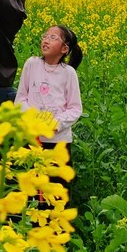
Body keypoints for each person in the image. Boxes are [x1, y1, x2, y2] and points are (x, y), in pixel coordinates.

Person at [15, 24, 84, 179]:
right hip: (32, 138)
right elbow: (20, 98)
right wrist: (33, 119)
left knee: (57, 188)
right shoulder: (31, 64)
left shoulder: (68, 73)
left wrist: (55, 123)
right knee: (31, 185)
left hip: (58, 142)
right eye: (45, 36)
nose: (46, 40)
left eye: (53, 38)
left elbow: (75, 108)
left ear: (64, 49)